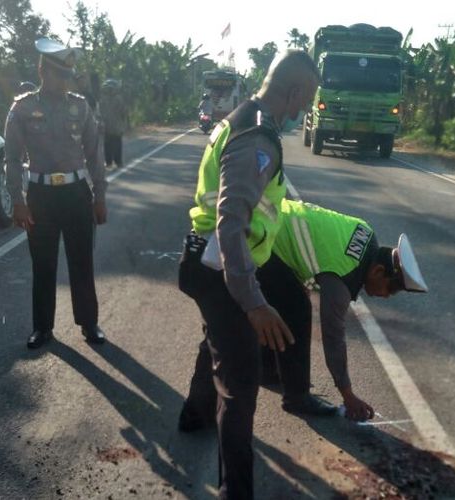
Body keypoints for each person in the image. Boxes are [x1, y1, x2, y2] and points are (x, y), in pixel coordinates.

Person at [177, 50, 320, 500]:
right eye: (309, 99)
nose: (307, 110)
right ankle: (234, 492)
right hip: (222, 266)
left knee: (216, 339)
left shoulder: (243, 119)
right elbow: (231, 219)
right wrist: (253, 301)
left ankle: (193, 415)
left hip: (209, 261)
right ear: (294, 92)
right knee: (240, 385)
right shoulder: (259, 136)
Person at [181, 199, 428, 426]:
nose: (385, 296)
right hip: (262, 237)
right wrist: (348, 394)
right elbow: (333, 338)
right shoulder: (342, 276)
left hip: (270, 220)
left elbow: (313, 241)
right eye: (390, 289)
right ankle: (295, 397)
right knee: (292, 312)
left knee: (288, 303)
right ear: (377, 272)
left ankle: (269, 371)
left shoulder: (366, 232)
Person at [4, 37, 108, 349]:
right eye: (58, 75)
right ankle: (43, 328)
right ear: (42, 71)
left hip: (77, 193)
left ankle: (89, 324)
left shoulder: (80, 106)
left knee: (82, 262)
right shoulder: (22, 109)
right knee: (43, 264)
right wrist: (18, 201)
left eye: (67, 76)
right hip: (41, 196)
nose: (64, 82)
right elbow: (11, 157)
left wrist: (100, 196)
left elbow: (95, 153)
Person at [100, 79, 129, 167]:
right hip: (107, 127)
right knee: (107, 146)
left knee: (117, 145)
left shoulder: (119, 100)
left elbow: (124, 113)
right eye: (108, 89)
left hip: (117, 127)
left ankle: (118, 162)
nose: (110, 91)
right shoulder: (103, 100)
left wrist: (124, 125)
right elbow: (99, 113)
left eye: (111, 89)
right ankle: (108, 162)